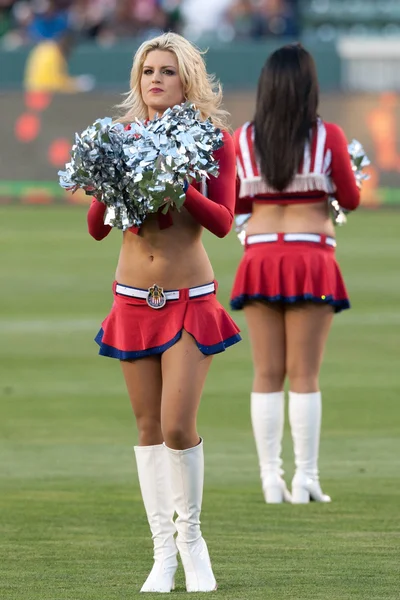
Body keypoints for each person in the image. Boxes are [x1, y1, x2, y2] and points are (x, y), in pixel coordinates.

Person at [87, 32, 240, 592]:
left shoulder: (211, 140)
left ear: (188, 79)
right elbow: (97, 229)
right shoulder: (119, 138)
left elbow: (223, 221)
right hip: (132, 299)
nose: (156, 79)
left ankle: (192, 539)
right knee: (148, 428)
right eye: (148, 70)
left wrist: (178, 183)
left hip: (189, 300)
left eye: (168, 71)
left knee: (178, 426)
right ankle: (162, 554)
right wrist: (106, 182)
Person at [230, 43, 360, 504]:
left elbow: (239, 206)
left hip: (260, 257)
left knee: (266, 373)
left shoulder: (243, 139)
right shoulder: (329, 136)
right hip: (312, 258)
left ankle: (270, 478)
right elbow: (351, 197)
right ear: (310, 87)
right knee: (304, 375)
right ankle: (306, 478)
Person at [24, 30, 95, 93]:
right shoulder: (53, 54)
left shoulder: (44, 48)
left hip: (32, 94)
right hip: (42, 97)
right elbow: (55, 84)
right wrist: (77, 85)